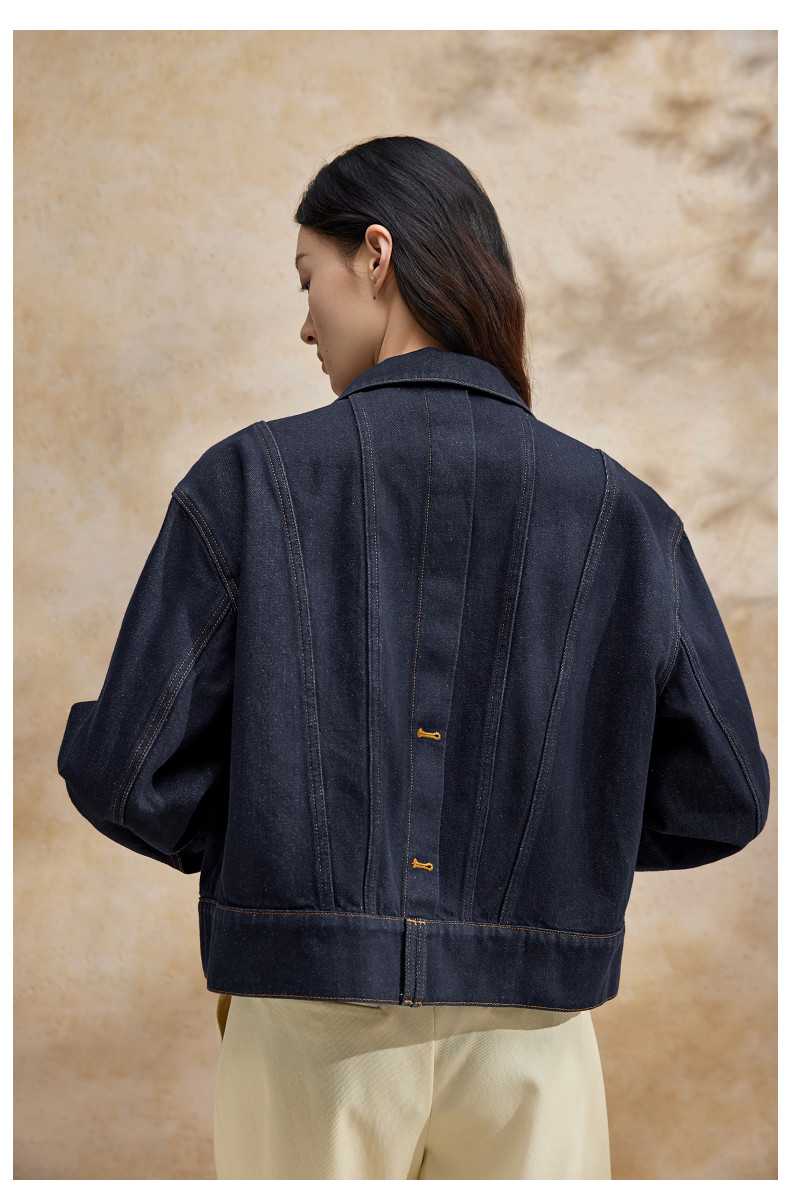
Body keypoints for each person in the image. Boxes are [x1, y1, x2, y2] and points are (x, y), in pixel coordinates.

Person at [58, 135, 770, 1180]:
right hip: (534, 1039)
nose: (306, 322)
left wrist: (279, 843)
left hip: (309, 1028)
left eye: (309, 278)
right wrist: (553, 851)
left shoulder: (249, 482)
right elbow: (726, 790)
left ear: (376, 254)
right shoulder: (622, 514)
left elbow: (130, 772)